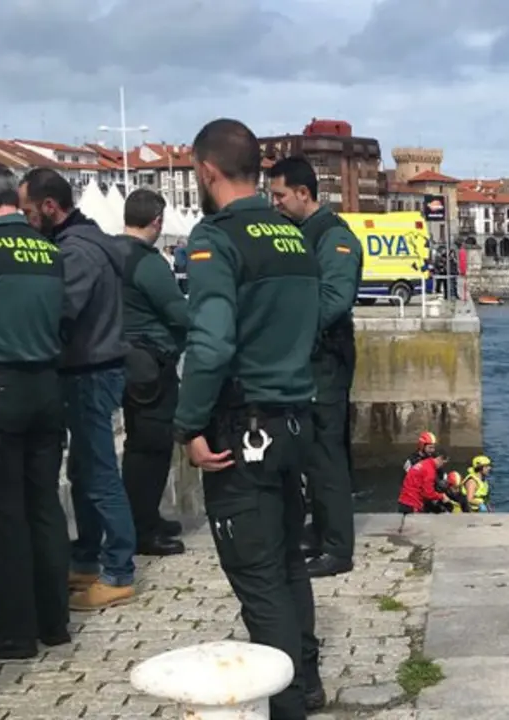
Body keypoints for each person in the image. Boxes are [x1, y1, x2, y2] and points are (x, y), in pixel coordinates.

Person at [172, 118, 324, 718]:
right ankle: (306, 681)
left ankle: (285, 706)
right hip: (294, 421)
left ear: (207, 171)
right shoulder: (293, 235)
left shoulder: (217, 239)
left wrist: (189, 427)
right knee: (289, 563)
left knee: (260, 581)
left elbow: (210, 346)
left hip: (243, 429)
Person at [0, 160, 72, 659]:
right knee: (43, 507)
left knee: (3, 515)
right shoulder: (49, 253)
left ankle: (12, 630)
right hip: (47, 390)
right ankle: (53, 621)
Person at [19, 167, 137, 611]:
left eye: (30, 210)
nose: (28, 219)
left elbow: (61, 309)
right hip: (91, 368)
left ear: (51, 206)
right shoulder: (89, 242)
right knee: (86, 472)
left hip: (90, 370)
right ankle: (88, 557)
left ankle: (119, 570)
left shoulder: (76, 252)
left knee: (100, 472)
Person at [266, 156, 363, 579]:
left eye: (280, 195)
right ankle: (321, 527)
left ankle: (338, 546)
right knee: (310, 450)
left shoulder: (334, 238)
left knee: (327, 452)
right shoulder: (303, 234)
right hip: (307, 358)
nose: (276, 203)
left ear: (304, 193)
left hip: (325, 358)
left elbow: (333, 301)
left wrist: (290, 333)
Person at [118, 189, 189, 556]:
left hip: (122, 362)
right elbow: (176, 311)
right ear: (158, 220)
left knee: (136, 446)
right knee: (152, 447)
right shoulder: (147, 262)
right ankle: (143, 527)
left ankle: (141, 517)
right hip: (151, 364)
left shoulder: (110, 253)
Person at [397, 448, 449, 514]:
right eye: (443, 463)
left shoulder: (423, 464)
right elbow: (428, 493)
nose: (442, 466)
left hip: (403, 502)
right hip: (412, 504)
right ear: (440, 458)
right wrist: (442, 496)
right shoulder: (430, 470)